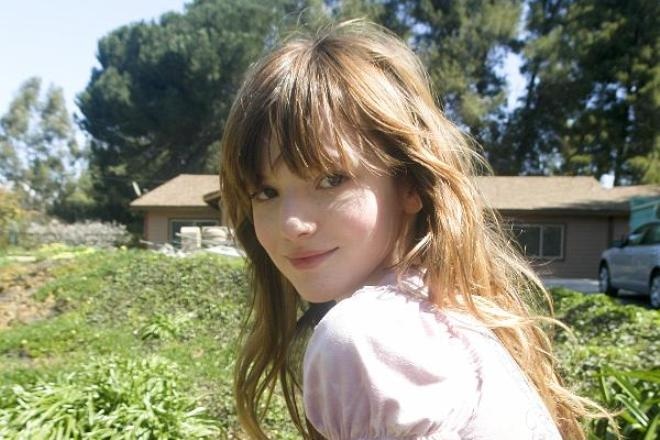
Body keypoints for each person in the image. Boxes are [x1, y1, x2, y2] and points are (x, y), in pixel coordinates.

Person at [220, 20, 605, 440]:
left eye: (331, 180)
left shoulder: (363, 336)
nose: (291, 224)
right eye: (266, 192)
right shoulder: (449, 313)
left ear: (409, 184)